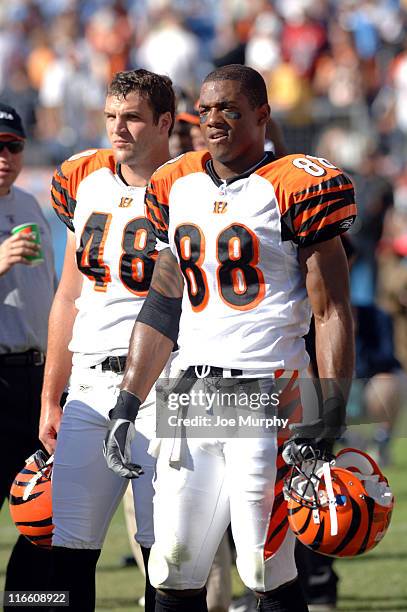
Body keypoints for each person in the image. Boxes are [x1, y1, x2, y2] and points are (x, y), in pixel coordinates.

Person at [103, 64, 356, 612]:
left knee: (264, 565)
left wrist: (331, 412)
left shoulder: (296, 183)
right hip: (190, 394)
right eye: (208, 109)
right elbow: (164, 303)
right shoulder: (175, 182)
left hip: (270, 390)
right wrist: (128, 400)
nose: (215, 119)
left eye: (230, 109)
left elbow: (332, 309)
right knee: (172, 563)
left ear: (263, 115)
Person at [39, 69, 175, 612]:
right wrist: (52, 395)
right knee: (67, 549)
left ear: (165, 122)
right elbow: (68, 296)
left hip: (162, 385)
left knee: (162, 552)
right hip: (90, 384)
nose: (118, 130)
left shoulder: (187, 186)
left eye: (133, 118)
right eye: (111, 116)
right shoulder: (87, 182)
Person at [0, 103, 56, 607]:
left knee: (43, 511)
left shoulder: (30, 204)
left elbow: (51, 292)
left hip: (34, 380)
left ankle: (28, 605)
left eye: (13, 145)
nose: (4, 155)